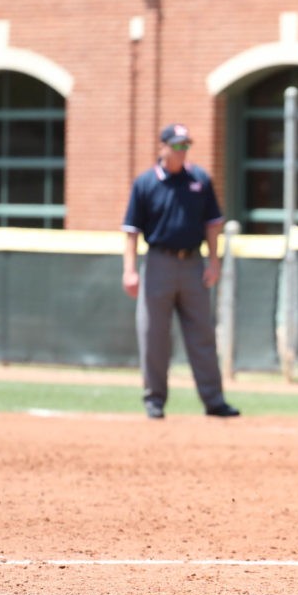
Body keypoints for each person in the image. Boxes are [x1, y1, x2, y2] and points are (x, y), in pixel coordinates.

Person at [121, 123, 240, 420]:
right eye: (176, 145)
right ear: (162, 147)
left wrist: (214, 262)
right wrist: (129, 270)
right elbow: (132, 231)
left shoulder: (199, 179)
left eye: (185, 145)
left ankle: (214, 401)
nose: (181, 150)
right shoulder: (146, 183)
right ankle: (154, 400)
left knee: (202, 333)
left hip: (192, 264)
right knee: (154, 335)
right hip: (159, 262)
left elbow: (213, 224)